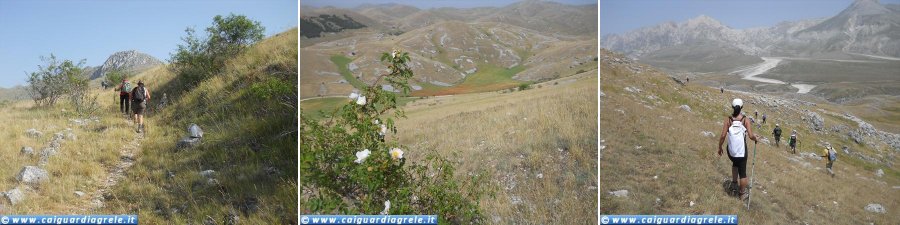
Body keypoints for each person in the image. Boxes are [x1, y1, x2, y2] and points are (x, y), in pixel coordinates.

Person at [718, 98, 759, 201]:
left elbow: (723, 135)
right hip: (741, 151)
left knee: (735, 164)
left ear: (732, 107)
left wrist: (720, 147)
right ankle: (741, 194)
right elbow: (750, 136)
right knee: (743, 172)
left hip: (731, 151)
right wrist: (756, 138)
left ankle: (734, 183)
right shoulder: (745, 120)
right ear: (741, 107)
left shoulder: (728, 120)